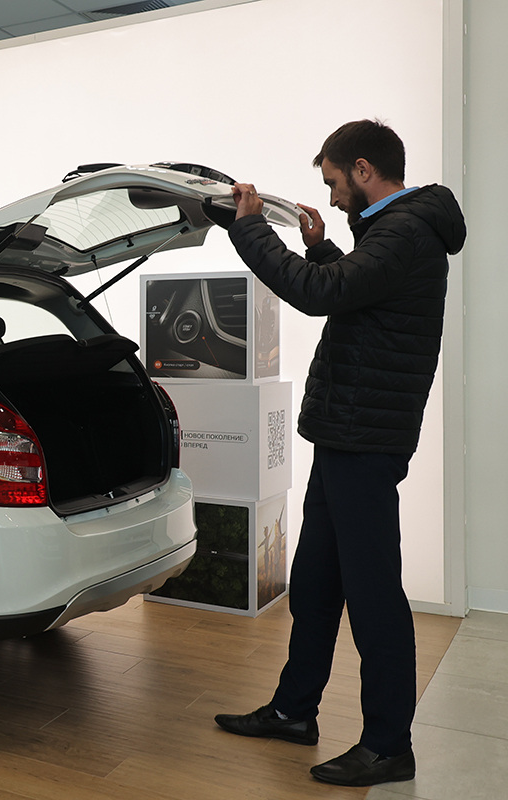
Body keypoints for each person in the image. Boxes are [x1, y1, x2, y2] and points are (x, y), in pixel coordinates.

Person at [213, 120, 465, 787]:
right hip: (347, 435)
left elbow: (318, 294)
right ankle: (294, 711)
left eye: (332, 182)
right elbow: (356, 295)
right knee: (316, 584)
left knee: (374, 596)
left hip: (363, 441)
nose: (329, 196)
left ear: (362, 169)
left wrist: (250, 229)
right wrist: (323, 249)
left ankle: (387, 744)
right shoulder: (394, 233)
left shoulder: (404, 233)